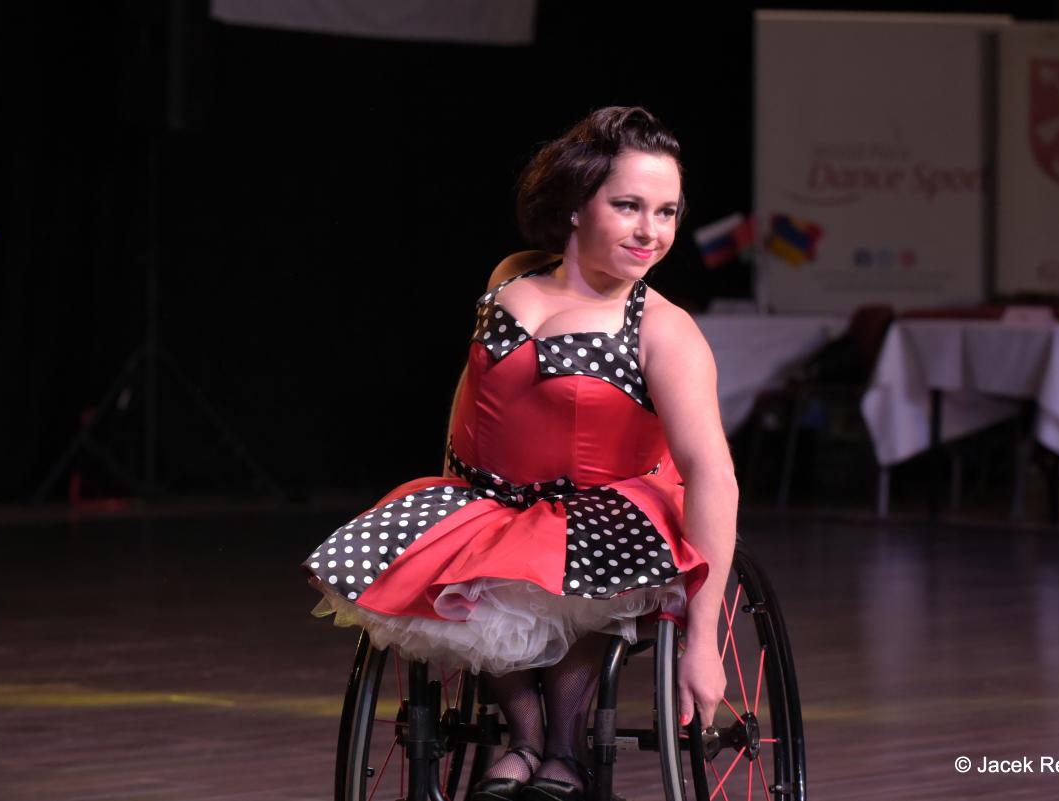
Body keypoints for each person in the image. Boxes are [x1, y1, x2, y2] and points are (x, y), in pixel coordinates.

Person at [302, 106, 738, 801]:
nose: (649, 231)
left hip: (609, 512)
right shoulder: (510, 278)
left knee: (575, 579)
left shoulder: (664, 330)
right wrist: (454, 507)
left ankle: (559, 751)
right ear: (574, 203)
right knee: (475, 566)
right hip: (496, 500)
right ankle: (529, 739)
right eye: (628, 206)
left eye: (666, 211)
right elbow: (471, 392)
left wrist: (706, 638)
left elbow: (713, 472)